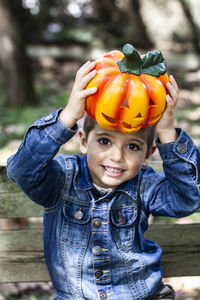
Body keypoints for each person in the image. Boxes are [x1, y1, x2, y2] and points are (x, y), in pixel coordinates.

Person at [7, 60, 200, 300]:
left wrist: (168, 135)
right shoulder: (62, 179)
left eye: (132, 146)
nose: (116, 157)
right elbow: (21, 170)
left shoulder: (144, 184)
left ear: (148, 156)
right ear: (84, 141)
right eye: (104, 141)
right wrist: (67, 116)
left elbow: (185, 200)